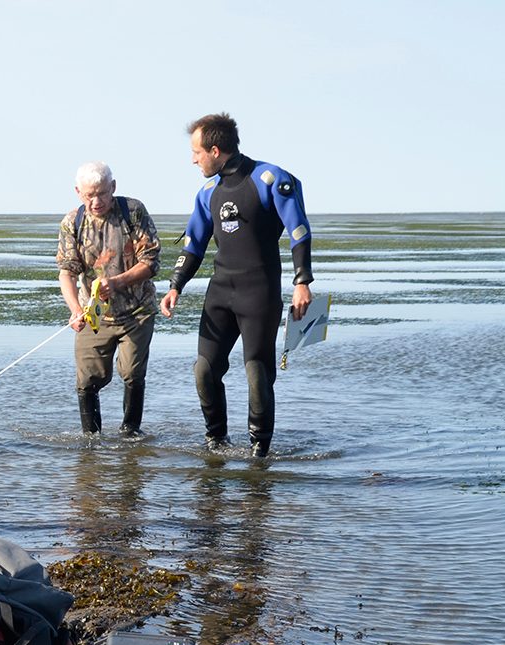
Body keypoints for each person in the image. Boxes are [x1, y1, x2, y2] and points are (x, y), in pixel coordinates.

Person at [160, 113, 314, 458]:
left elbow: (299, 231)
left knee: (257, 372)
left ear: (215, 150)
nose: (193, 159)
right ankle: (216, 443)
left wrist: (302, 281)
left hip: (259, 292)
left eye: (197, 152)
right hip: (220, 292)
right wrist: (175, 286)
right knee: (204, 369)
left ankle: (259, 454)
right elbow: (193, 245)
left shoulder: (271, 179)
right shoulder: (207, 192)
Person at [56, 161, 161, 436]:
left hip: (137, 312)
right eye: (89, 195)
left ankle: (130, 434)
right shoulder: (72, 222)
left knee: (132, 373)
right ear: (78, 192)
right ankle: (91, 442)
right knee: (88, 379)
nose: (96, 201)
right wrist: (75, 309)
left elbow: (150, 263)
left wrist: (116, 282)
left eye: (102, 193)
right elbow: (66, 273)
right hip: (95, 316)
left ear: (113, 188)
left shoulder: (133, 211)